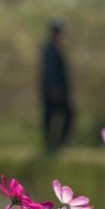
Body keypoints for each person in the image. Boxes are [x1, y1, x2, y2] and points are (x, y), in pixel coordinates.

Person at [40, 20, 73, 152]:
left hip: (55, 90)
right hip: (53, 91)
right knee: (61, 115)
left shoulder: (54, 49)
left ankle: (55, 143)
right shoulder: (50, 50)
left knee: (54, 116)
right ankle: (54, 143)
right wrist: (55, 89)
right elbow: (50, 72)